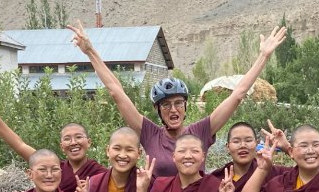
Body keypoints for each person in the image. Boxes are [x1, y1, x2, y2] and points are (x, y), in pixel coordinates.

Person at [67, 22, 288, 176]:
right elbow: (116, 92)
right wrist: (90, 52)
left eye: (178, 103)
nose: (173, 110)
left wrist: (263, 56)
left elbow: (238, 94)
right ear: (158, 110)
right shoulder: (149, 133)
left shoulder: (201, 131)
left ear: (185, 106)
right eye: (165, 105)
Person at [0, 90, 106, 192]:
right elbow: (19, 144)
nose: (73, 142)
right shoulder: (53, 167)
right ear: (62, 146)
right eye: (67, 139)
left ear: (89, 142)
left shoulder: (100, 173)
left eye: (78, 137)